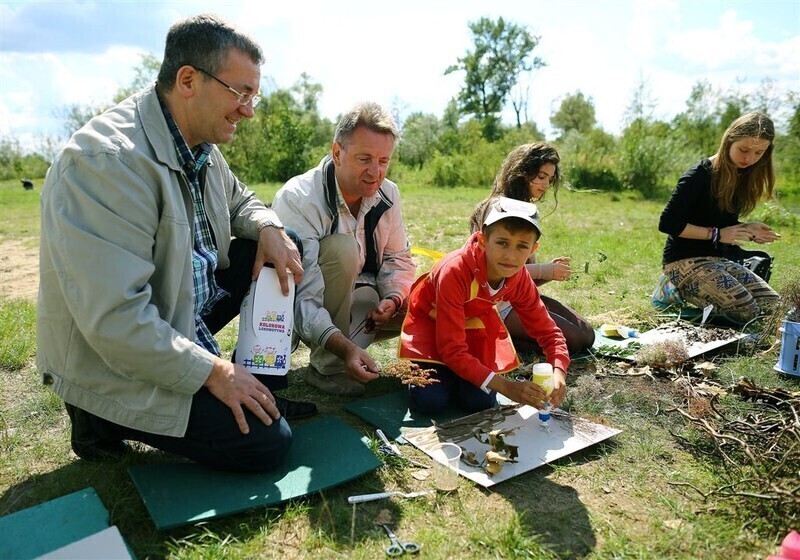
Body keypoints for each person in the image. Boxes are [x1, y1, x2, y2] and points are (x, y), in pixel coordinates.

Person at [37, 14, 309, 472]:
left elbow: (240, 199)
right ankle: (97, 411)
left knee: (282, 244)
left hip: (176, 314)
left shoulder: (199, 143)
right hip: (118, 354)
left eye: (253, 95)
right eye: (241, 93)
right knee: (266, 445)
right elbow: (118, 322)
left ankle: (258, 385)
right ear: (188, 80)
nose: (249, 110)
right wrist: (214, 372)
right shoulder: (105, 163)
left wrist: (268, 227)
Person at [272, 102, 416, 397]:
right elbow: (303, 295)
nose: (375, 172)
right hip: (314, 310)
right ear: (337, 152)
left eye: (384, 161)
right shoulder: (300, 199)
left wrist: (393, 297)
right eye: (364, 158)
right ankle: (329, 366)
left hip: (367, 304)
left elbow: (398, 258)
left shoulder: (389, 193)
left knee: (434, 301)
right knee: (343, 249)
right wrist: (342, 346)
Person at [399, 197, 570, 414]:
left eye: (522, 246)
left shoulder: (520, 278)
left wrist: (559, 372)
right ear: (481, 240)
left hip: (472, 328)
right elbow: (451, 349)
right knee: (431, 403)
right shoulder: (455, 272)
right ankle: (423, 368)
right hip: (431, 326)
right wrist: (507, 387)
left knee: (478, 403)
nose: (510, 256)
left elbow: (549, 334)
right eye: (502, 243)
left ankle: (455, 376)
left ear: (533, 249)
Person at [469, 142, 595, 355]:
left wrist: (547, 274)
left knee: (587, 335)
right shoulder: (497, 208)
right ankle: (494, 336)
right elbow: (492, 270)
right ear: (522, 172)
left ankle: (507, 337)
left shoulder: (526, 209)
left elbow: (521, 277)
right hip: (495, 305)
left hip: (518, 299)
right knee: (572, 341)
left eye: (550, 178)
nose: (546, 184)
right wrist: (545, 270)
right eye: (541, 176)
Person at [658, 112, 781, 324]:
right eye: (744, 150)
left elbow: (720, 224)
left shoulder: (742, 176)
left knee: (775, 307)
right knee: (746, 311)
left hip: (719, 260)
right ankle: (671, 290)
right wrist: (717, 234)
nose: (749, 158)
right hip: (683, 261)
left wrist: (747, 229)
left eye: (758, 153)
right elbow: (668, 223)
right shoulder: (699, 175)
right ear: (729, 140)